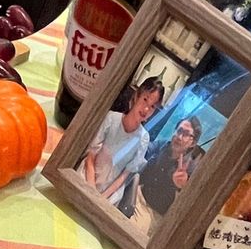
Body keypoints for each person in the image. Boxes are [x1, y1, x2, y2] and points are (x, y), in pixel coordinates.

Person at [84, 78, 165, 209]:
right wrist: (91, 189)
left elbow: (124, 176)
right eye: (145, 99)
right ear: (137, 96)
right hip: (87, 177)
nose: (146, 109)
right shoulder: (111, 118)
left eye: (152, 106)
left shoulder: (144, 139)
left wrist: (100, 199)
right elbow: (90, 157)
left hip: (109, 195)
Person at [138, 115, 205, 219]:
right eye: (179, 130)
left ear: (193, 143)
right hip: (138, 193)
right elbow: (143, 150)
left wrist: (182, 187)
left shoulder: (190, 170)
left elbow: (187, 206)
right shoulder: (162, 145)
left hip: (154, 214)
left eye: (186, 134)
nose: (179, 137)